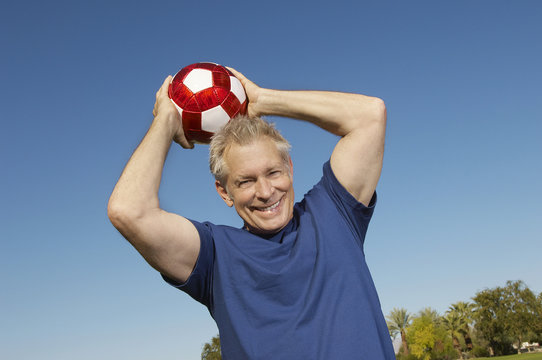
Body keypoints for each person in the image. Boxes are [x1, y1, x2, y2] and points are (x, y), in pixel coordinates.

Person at [108, 67, 395, 359]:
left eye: (273, 172)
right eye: (245, 181)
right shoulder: (214, 257)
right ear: (224, 192)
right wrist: (166, 120)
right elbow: (128, 210)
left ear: (290, 169)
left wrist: (262, 100)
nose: (266, 191)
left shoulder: (334, 212)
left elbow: (370, 116)